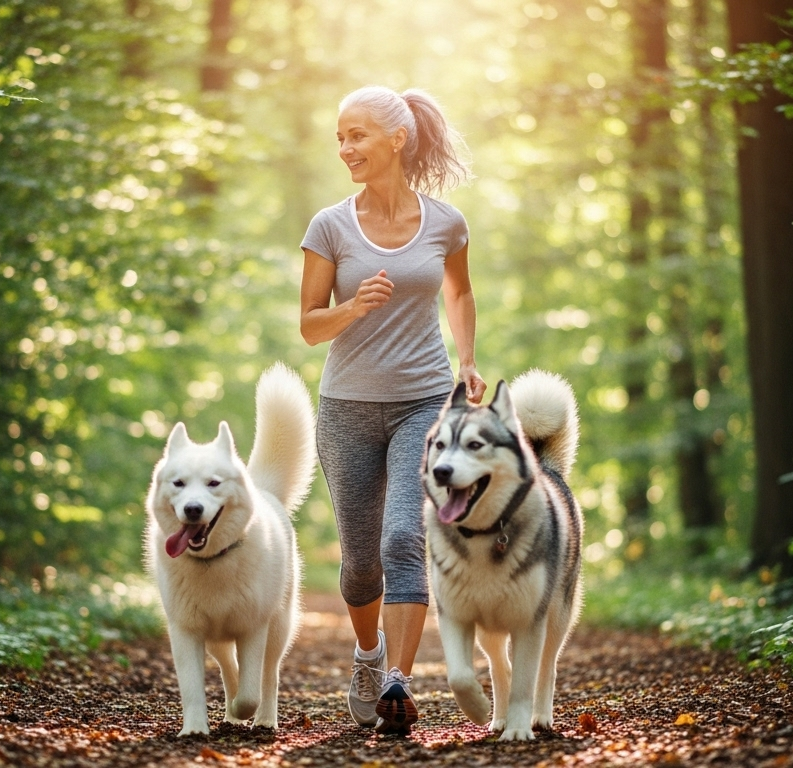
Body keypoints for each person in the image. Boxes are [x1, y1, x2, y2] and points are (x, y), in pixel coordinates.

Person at [299, 85, 485, 735]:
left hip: (424, 400)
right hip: (346, 406)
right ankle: (369, 656)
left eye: (358, 136)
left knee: (404, 537)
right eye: (340, 138)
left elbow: (459, 293)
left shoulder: (446, 223)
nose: (346, 148)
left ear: (397, 140)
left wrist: (467, 359)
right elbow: (309, 327)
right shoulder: (329, 226)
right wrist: (353, 308)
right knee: (359, 562)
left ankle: (400, 683)